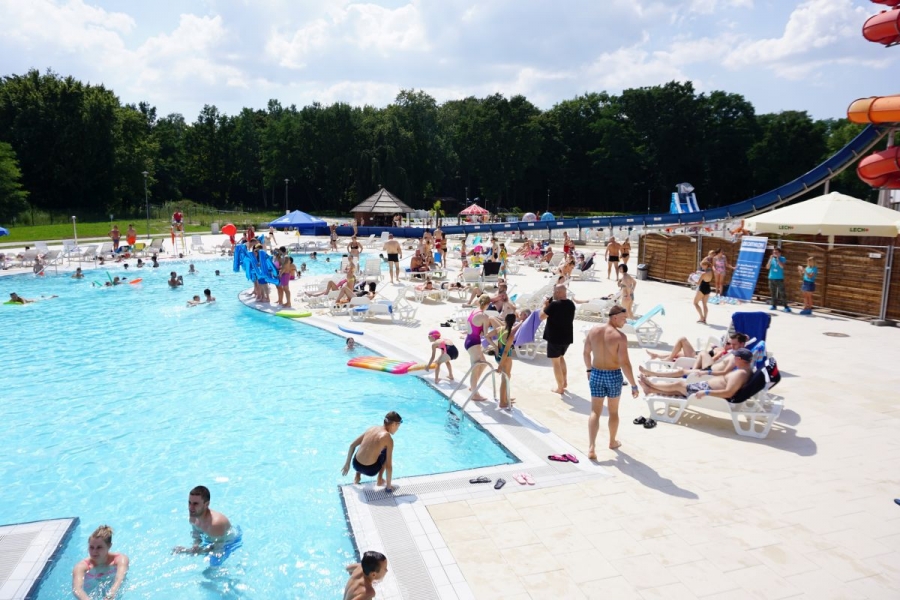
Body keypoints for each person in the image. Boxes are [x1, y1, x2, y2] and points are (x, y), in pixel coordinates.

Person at [584, 305, 639, 457]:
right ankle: (612, 441)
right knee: (613, 412)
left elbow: (586, 353)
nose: (625, 321)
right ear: (614, 317)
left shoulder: (593, 330)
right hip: (613, 375)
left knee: (595, 411)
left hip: (596, 373)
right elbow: (625, 363)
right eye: (623, 318)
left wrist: (588, 369)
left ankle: (591, 447)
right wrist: (633, 385)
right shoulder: (620, 337)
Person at [638, 348, 754, 401]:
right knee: (681, 390)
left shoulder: (740, 374)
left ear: (739, 359)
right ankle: (651, 390)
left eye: (735, 357)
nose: (733, 358)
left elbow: (729, 393)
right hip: (707, 386)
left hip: (708, 391)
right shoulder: (747, 370)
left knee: (679, 384)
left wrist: (706, 392)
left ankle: (651, 384)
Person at [173, 486, 242, 566]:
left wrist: (193, 551)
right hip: (212, 540)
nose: (190, 507)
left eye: (195, 504)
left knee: (213, 565)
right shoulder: (194, 515)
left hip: (229, 543)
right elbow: (196, 532)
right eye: (189, 502)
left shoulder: (215, 524)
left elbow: (218, 549)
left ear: (206, 504)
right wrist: (196, 545)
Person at [341, 411, 402, 491]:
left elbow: (352, 445)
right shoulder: (388, 438)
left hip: (356, 465)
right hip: (370, 470)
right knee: (385, 451)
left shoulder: (372, 428)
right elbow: (388, 465)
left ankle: (357, 476)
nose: (398, 429)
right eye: (398, 426)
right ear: (394, 424)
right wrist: (388, 487)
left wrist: (347, 464)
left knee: (364, 445)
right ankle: (380, 479)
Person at [641, 333, 749, 378]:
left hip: (705, 367)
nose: (730, 346)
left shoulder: (735, 356)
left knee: (683, 342)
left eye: (732, 344)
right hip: (703, 364)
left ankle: (654, 371)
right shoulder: (732, 352)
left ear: (741, 344)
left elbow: (721, 369)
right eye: (729, 343)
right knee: (679, 354)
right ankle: (657, 359)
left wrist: (717, 354)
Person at [72, 525, 129, 600]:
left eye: (99, 547)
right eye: (91, 547)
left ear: (109, 546)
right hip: (91, 592)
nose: (94, 551)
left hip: (113, 590)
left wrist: (110, 596)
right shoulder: (81, 567)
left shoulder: (120, 559)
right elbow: (77, 589)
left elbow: (119, 579)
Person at [541, 284, 577, 394]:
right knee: (561, 358)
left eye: (554, 291)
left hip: (555, 338)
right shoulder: (571, 304)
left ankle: (560, 388)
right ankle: (564, 382)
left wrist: (545, 305)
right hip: (567, 337)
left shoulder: (554, 305)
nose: (553, 293)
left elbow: (541, 316)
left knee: (555, 363)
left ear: (557, 292)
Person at [486, 313, 519, 409]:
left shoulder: (500, 329)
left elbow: (487, 336)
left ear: (505, 320)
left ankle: (505, 397)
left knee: (507, 377)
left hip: (498, 356)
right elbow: (505, 352)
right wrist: (500, 365)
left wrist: (495, 346)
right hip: (505, 358)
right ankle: (502, 402)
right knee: (505, 378)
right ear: (513, 322)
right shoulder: (510, 334)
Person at [464, 294, 493, 401]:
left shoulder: (474, 311)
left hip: (469, 341)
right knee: (475, 368)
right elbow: (486, 334)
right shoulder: (484, 316)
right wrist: (494, 345)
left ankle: (473, 386)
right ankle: (474, 394)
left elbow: (472, 327)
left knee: (483, 364)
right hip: (474, 344)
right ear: (488, 304)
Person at [767, 247, 790, 312]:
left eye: (776, 252)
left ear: (780, 253)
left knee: (782, 293)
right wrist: (770, 259)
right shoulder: (771, 259)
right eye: (774, 252)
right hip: (771, 278)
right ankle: (774, 305)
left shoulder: (783, 258)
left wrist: (778, 259)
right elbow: (767, 267)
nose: (774, 253)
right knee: (773, 293)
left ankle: (786, 306)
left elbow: (782, 266)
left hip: (779, 279)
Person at [693, 259, 713, 324]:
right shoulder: (710, 272)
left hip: (702, 288)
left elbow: (698, 283)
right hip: (708, 288)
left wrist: (692, 280)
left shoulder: (703, 274)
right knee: (705, 304)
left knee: (695, 303)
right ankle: (705, 319)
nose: (701, 267)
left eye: (702, 266)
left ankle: (701, 317)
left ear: (706, 265)